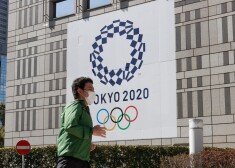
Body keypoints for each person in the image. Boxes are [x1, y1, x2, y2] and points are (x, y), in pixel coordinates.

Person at [57, 77, 106, 168]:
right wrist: (92, 131)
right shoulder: (75, 106)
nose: (93, 92)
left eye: (93, 89)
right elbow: (70, 126)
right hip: (70, 161)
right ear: (79, 91)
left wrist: (85, 144)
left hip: (82, 161)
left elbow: (77, 132)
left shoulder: (84, 108)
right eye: (90, 89)